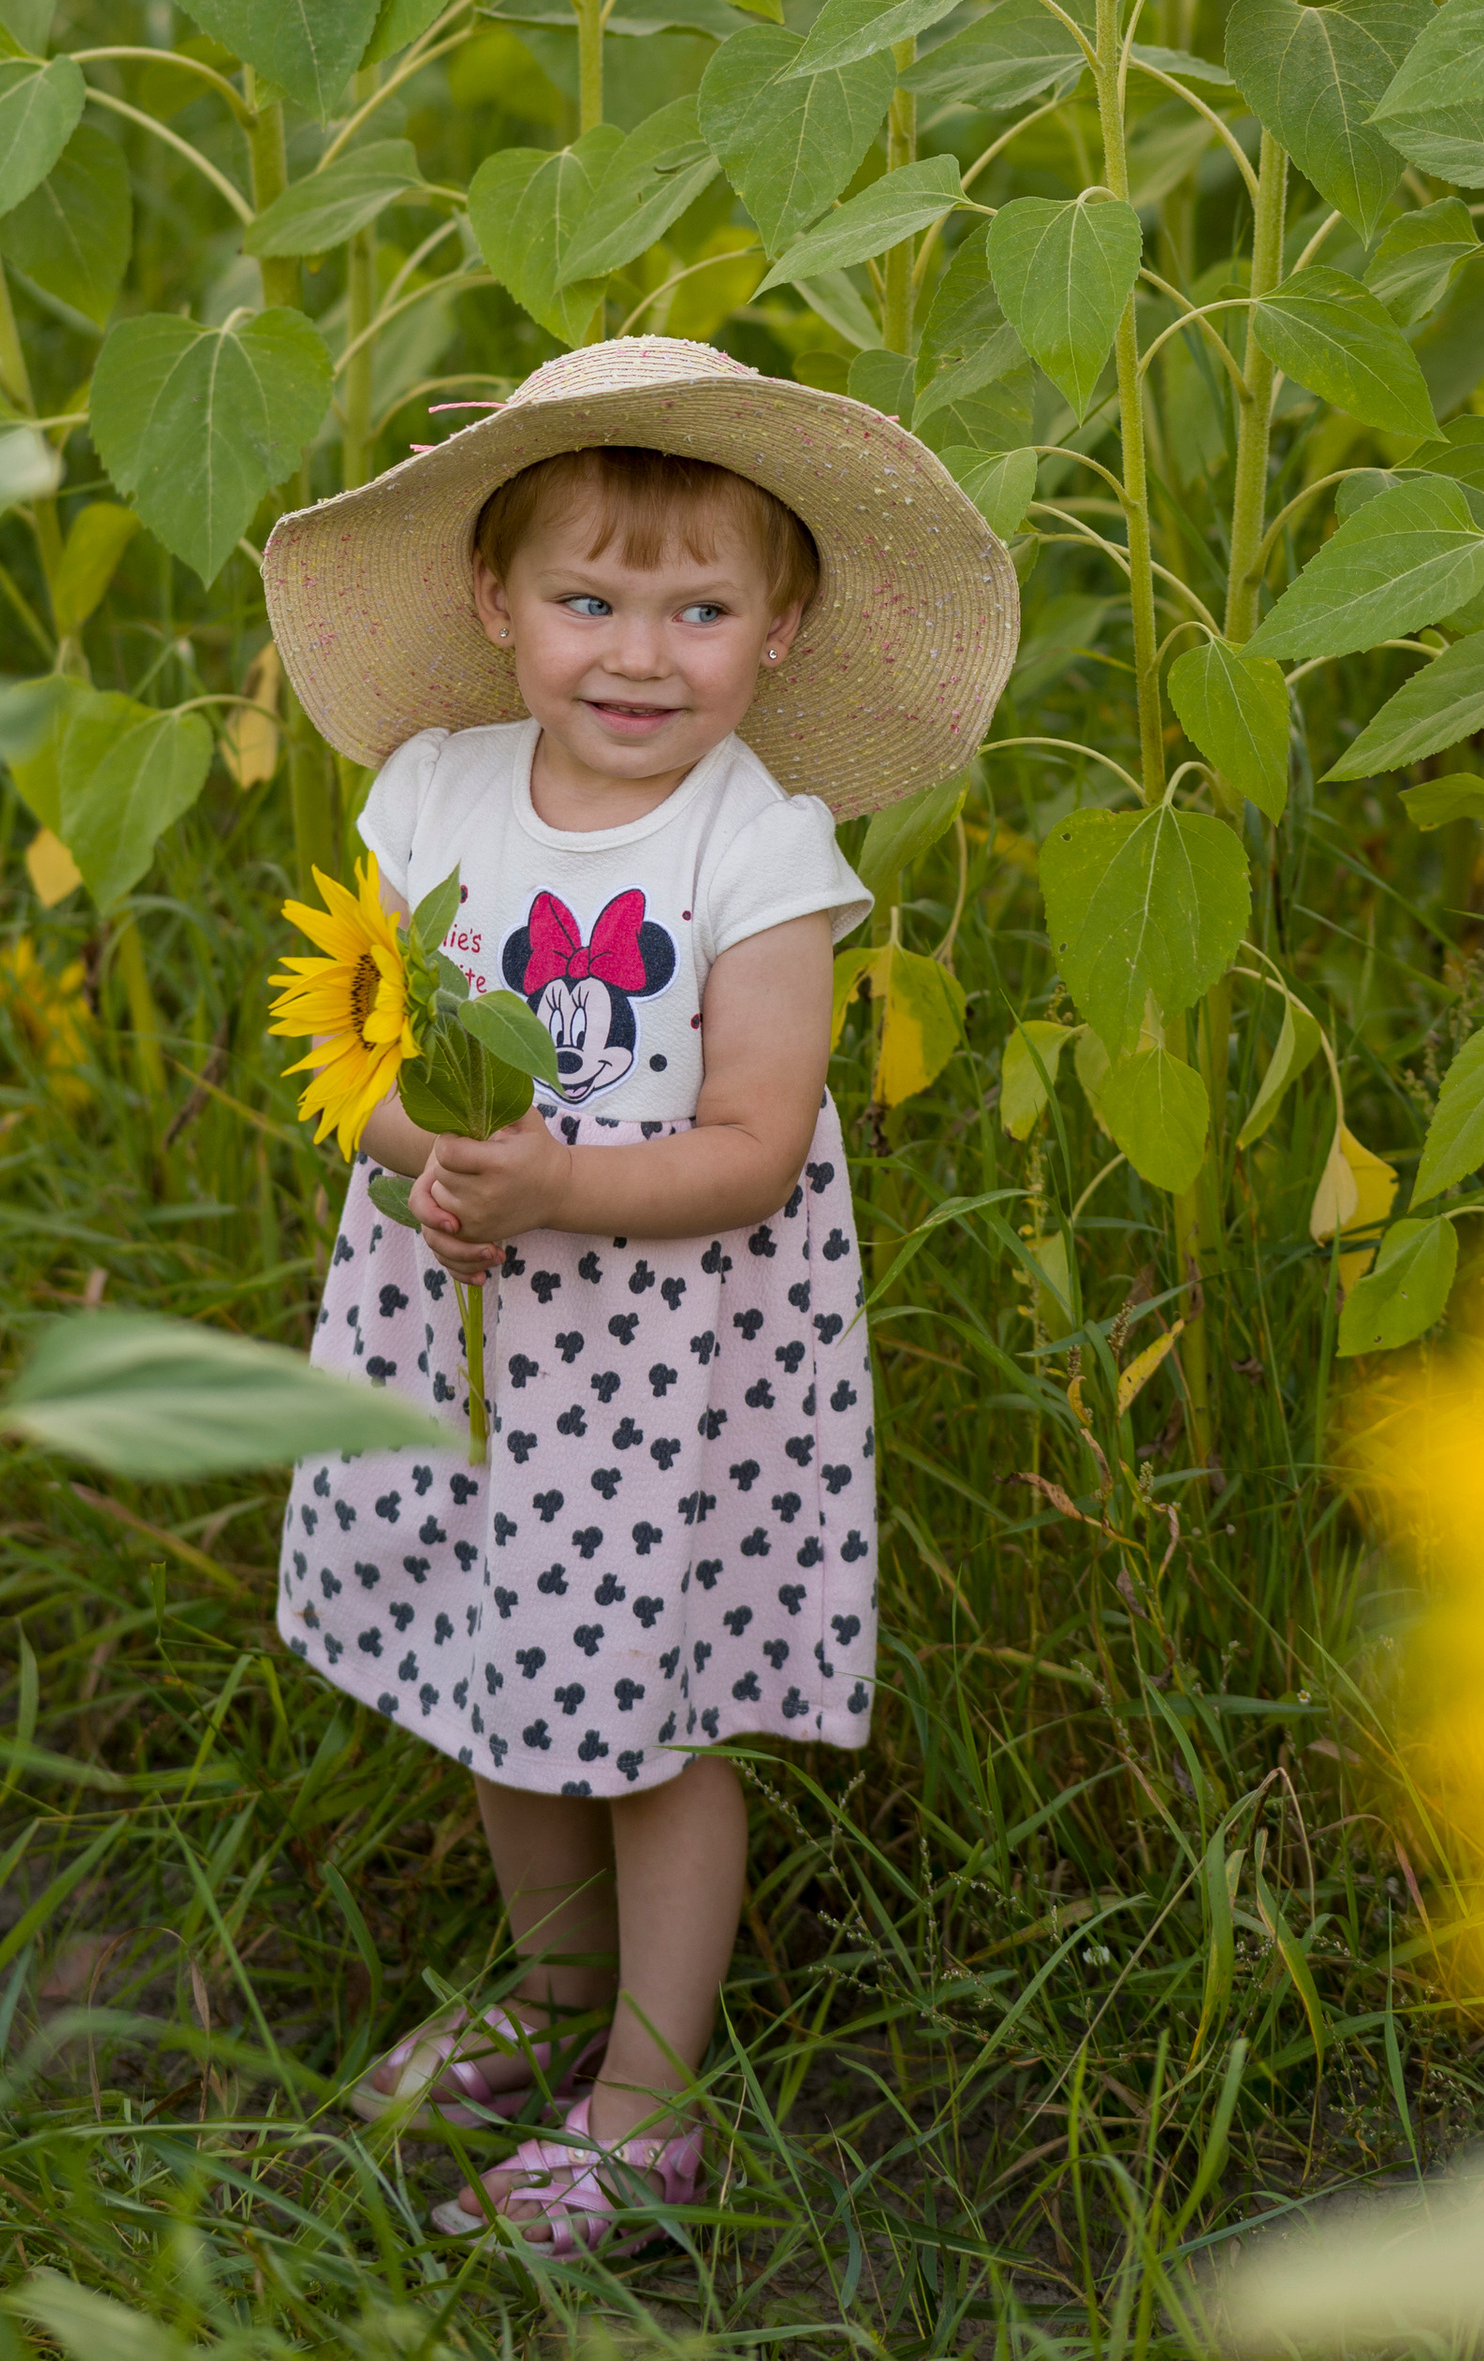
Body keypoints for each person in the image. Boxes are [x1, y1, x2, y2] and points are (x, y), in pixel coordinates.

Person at [259, 334, 1017, 2261]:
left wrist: (558, 1180)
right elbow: (361, 1053)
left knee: (647, 1713)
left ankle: (652, 2099)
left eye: (698, 607)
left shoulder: (756, 845)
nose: (638, 650)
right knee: (493, 1666)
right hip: (458, 1323)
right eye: (591, 596)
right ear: (497, 602)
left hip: (660, 1373)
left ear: (780, 632)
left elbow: (757, 1137)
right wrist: (424, 1149)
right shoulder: (427, 790)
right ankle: (547, 1983)